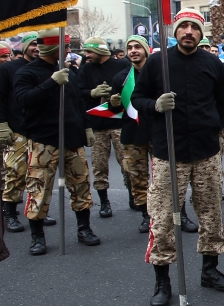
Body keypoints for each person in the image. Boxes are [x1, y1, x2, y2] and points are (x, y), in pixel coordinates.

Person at [132, 9, 224, 306]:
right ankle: (162, 280)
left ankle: (210, 269)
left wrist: (212, 123)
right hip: (169, 153)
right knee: (163, 217)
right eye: (183, 27)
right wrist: (154, 105)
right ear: (175, 31)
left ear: (201, 33)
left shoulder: (212, 63)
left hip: (205, 152)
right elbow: (137, 100)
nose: (188, 31)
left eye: (194, 27)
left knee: (211, 213)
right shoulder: (157, 62)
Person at [14, 29, 101, 255]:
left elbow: (78, 102)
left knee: (81, 185)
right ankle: (37, 236)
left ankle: (84, 229)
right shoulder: (27, 73)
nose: (69, 51)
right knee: (39, 190)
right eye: (65, 47)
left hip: (72, 139)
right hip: (44, 141)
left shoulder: (69, 72)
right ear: (53, 48)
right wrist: (51, 83)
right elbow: (24, 100)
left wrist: (87, 126)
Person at [0, 33, 56, 231]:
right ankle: (10, 213)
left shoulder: (51, 68)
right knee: (16, 173)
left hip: (40, 131)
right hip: (17, 130)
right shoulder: (8, 69)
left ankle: (39, 211)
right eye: (32, 44)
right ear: (24, 47)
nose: (36, 47)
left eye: (39, 44)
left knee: (39, 176)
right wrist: (3, 125)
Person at [78, 36, 131, 218]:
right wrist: (92, 93)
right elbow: (78, 92)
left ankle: (134, 196)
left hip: (119, 123)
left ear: (100, 51)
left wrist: (119, 95)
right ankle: (104, 202)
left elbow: (133, 88)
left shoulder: (122, 65)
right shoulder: (85, 69)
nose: (87, 55)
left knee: (127, 162)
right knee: (99, 166)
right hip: (97, 125)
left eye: (90, 51)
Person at [110, 36, 153, 232]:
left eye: (137, 47)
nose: (133, 50)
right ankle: (146, 215)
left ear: (146, 50)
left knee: (168, 177)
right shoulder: (121, 78)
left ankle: (180, 213)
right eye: (130, 47)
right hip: (132, 134)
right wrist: (113, 104)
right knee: (137, 177)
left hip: (156, 133)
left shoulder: (158, 73)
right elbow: (115, 111)